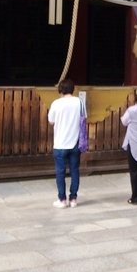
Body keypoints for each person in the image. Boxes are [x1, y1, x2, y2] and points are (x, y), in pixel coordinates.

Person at [47, 78, 82, 209]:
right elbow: (84, 119)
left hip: (60, 143)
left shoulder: (56, 103)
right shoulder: (79, 102)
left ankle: (62, 199)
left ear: (60, 90)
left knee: (60, 172)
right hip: (75, 142)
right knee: (75, 171)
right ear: (73, 89)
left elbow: (51, 121)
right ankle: (73, 199)